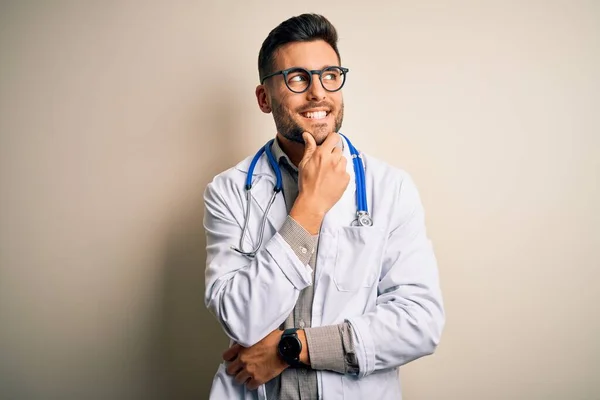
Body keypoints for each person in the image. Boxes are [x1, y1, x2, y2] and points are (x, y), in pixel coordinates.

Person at [203, 13, 445, 400]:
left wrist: (293, 349)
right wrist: (310, 207)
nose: (318, 92)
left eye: (329, 75)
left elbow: (419, 323)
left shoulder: (390, 188)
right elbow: (240, 317)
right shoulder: (229, 191)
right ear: (264, 98)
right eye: (297, 78)